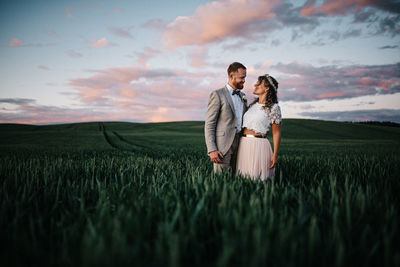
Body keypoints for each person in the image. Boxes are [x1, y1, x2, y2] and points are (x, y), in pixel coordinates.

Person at [236, 74, 282, 180]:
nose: (255, 85)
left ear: (267, 88)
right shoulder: (251, 106)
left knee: (257, 177)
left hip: (259, 145)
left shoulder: (274, 108)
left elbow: (276, 133)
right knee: (243, 177)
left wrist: (275, 155)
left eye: (259, 84)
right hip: (243, 144)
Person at [205, 62, 248, 173]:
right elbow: (210, 124)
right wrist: (212, 149)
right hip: (222, 147)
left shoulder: (243, 96)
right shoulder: (217, 94)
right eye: (242, 77)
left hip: (241, 145)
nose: (244, 80)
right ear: (231, 76)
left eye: (245, 77)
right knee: (221, 181)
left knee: (237, 179)